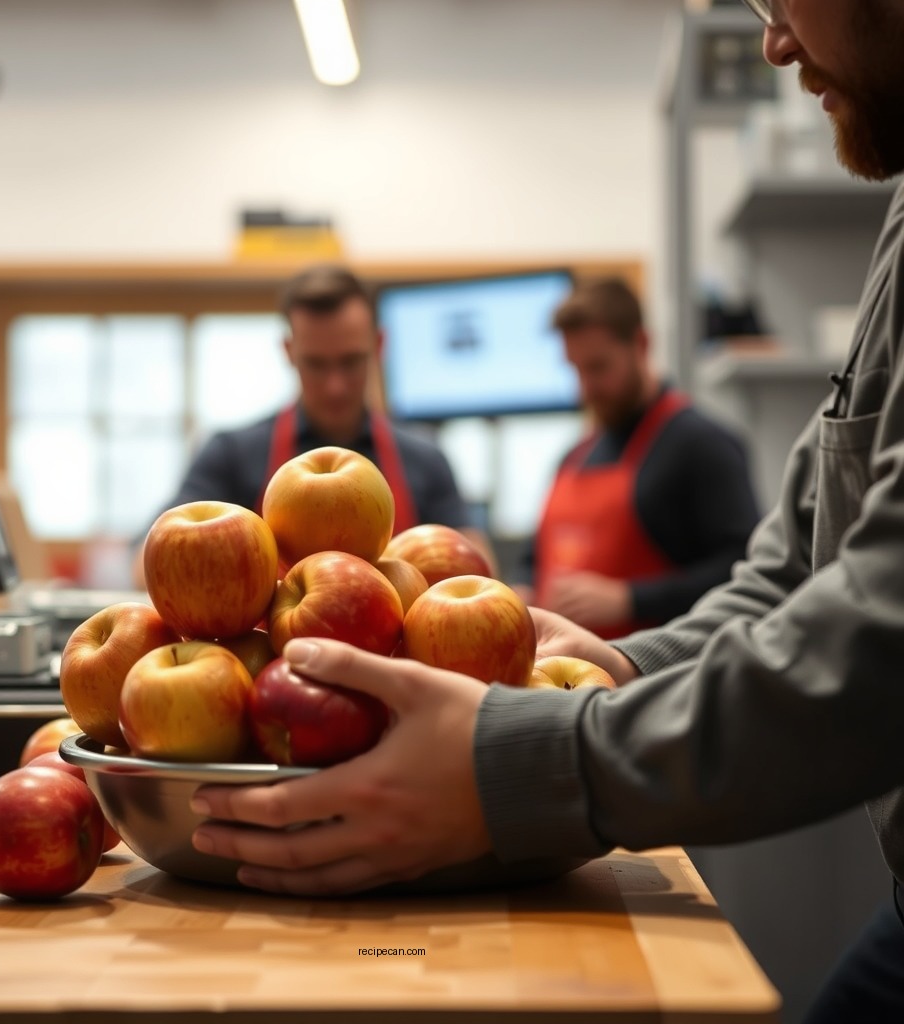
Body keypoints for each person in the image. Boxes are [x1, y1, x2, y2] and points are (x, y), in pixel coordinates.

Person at [190, 2, 904, 1018]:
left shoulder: (674, 445)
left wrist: (524, 760)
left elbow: (878, 636)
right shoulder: (897, 228)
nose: (771, 42)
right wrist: (619, 662)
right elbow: (794, 574)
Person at [133, 265, 490, 585]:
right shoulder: (231, 454)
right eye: (316, 364)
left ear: (379, 345)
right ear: (289, 352)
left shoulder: (425, 457)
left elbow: (477, 569)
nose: (335, 385)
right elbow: (148, 566)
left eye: (351, 361)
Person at [520, 277, 759, 638]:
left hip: (657, 679)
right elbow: (533, 559)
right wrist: (520, 593)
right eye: (576, 369)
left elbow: (745, 568)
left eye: (598, 367)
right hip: (563, 681)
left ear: (642, 344)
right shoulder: (574, 456)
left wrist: (631, 600)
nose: (585, 389)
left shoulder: (702, 444)